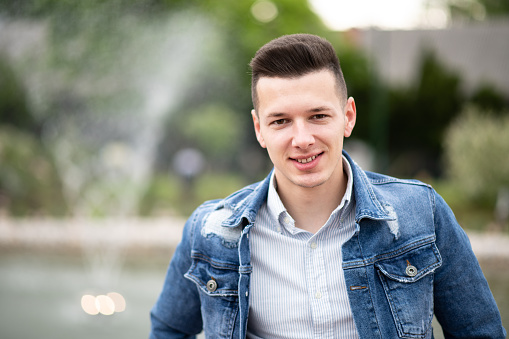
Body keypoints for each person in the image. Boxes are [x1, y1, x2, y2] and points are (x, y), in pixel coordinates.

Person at [149, 34, 506, 339]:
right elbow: (167, 330)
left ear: (348, 117)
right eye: (281, 121)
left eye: (318, 116)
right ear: (259, 129)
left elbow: (479, 333)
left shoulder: (422, 213)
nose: (302, 139)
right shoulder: (210, 230)